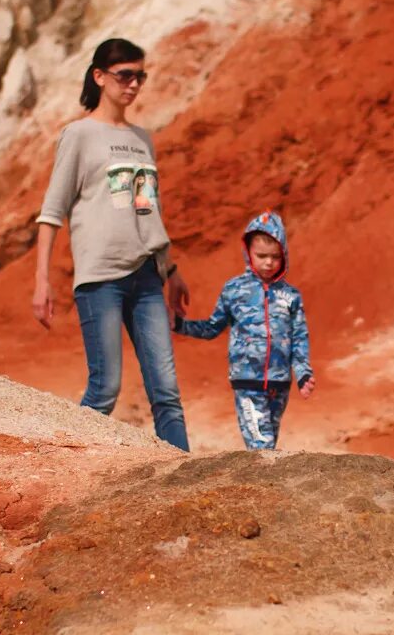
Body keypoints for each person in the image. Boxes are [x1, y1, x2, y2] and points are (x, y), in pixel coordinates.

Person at [32, 37, 191, 450]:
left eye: (141, 76)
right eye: (125, 75)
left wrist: (170, 271)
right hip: (100, 277)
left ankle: (189, 476)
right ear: (99, 76)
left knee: (167, 393)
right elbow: (52, 211)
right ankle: (65, 468)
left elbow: (148, 210)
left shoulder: (142, 138)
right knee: (105, 389)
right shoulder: (79, 134)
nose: (134, 84)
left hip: (147, 277)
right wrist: (41, 281)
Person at [176, 211, 315, 450]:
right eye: (261, 256)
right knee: (262, 446)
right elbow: (212, 328)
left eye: (275, 257)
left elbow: (299, 336)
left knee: (267, 445)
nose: (268, 263)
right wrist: (179, 325)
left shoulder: (291, 295)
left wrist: (303, 372)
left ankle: (262, 486)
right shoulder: (234, 290)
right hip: (246, 381)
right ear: (248, 252)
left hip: (280, 383)